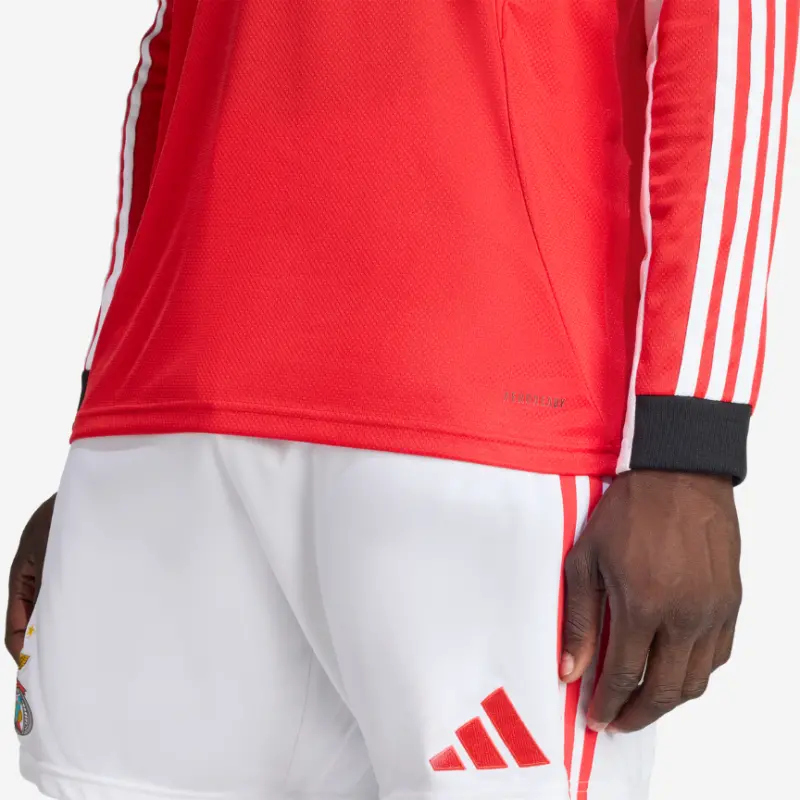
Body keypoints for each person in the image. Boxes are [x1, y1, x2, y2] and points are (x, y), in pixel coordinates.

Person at [5, 2, 797, 799]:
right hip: (169, 433)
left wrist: (689, 448)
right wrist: (103, 414)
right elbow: (172, 54)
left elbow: (731, 31)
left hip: (479, 416)